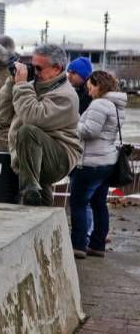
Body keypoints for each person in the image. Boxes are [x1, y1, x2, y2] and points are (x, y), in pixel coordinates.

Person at [0, 43, 82, 206]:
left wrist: (21, 85)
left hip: (59, 159)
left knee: (28, 131)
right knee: (43, 209)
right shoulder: (31, 87)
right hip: (33, 159)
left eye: (38, 68)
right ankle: (45, 218)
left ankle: (29, 189)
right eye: (32, 66)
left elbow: (33, 118)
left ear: (57, 68)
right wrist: (12, 81)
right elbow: (3, 113)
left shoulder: (66, 96)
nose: (34, 72)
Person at [69, 71, 127, 259]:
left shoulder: (100, 104)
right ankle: (97, 245)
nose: (89, 91)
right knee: (99, 204)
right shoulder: (117, 105)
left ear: (99, 85)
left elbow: (89, 132)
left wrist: (72, 122)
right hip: (107, 161)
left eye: (91, 87)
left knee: (78, 203)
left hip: (91, 162)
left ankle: (78, 245)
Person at [66, 56, 94, 234]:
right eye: (68, 71)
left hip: (84, 156)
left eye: (73, 72)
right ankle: (88, 234)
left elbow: (84, 127)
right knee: (87, 200)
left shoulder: (86, 98)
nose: (69, 75)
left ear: (83, 76)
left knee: (81, 200)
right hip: (82, 154)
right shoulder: (79, 93)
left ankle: (83, 237)